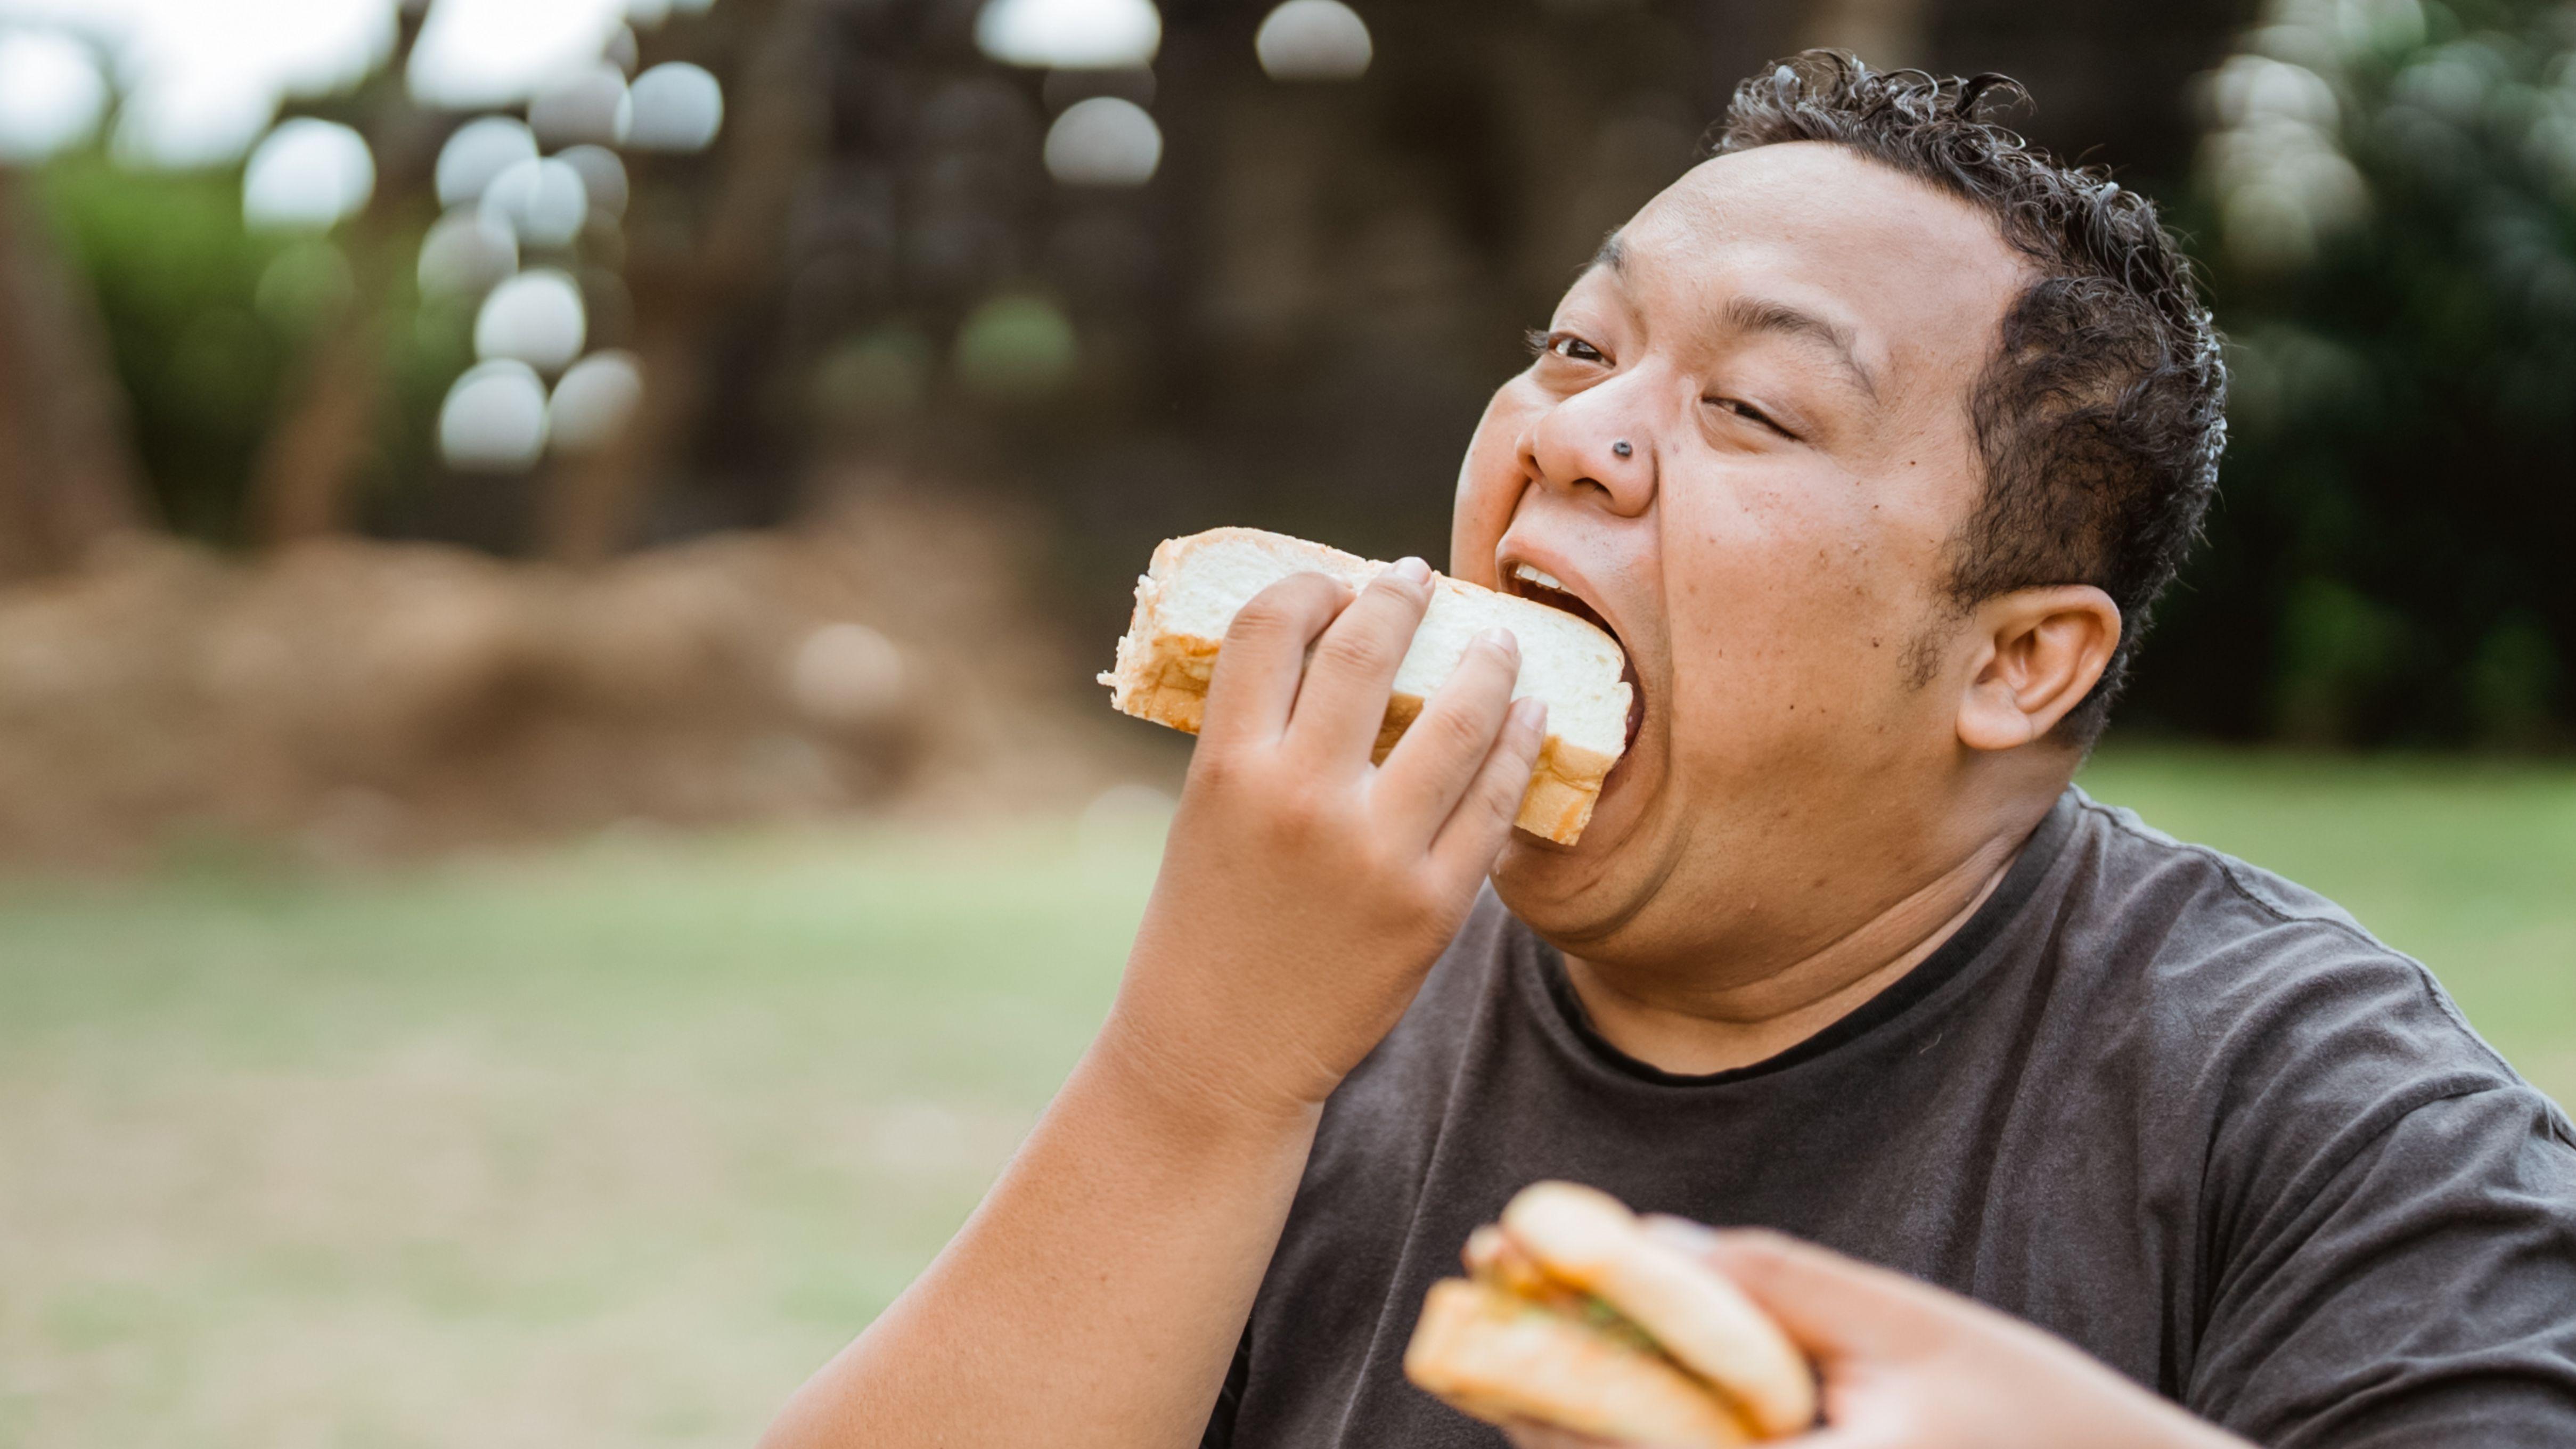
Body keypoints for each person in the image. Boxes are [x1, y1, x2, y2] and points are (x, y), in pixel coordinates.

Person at [764, 55, 2576, 1448]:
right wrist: (1196, 1079)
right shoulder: (1315, 973)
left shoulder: (2340, 1128)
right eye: (1575, 343)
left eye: (1753, 407)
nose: (1580, 437)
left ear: (2019, 661)